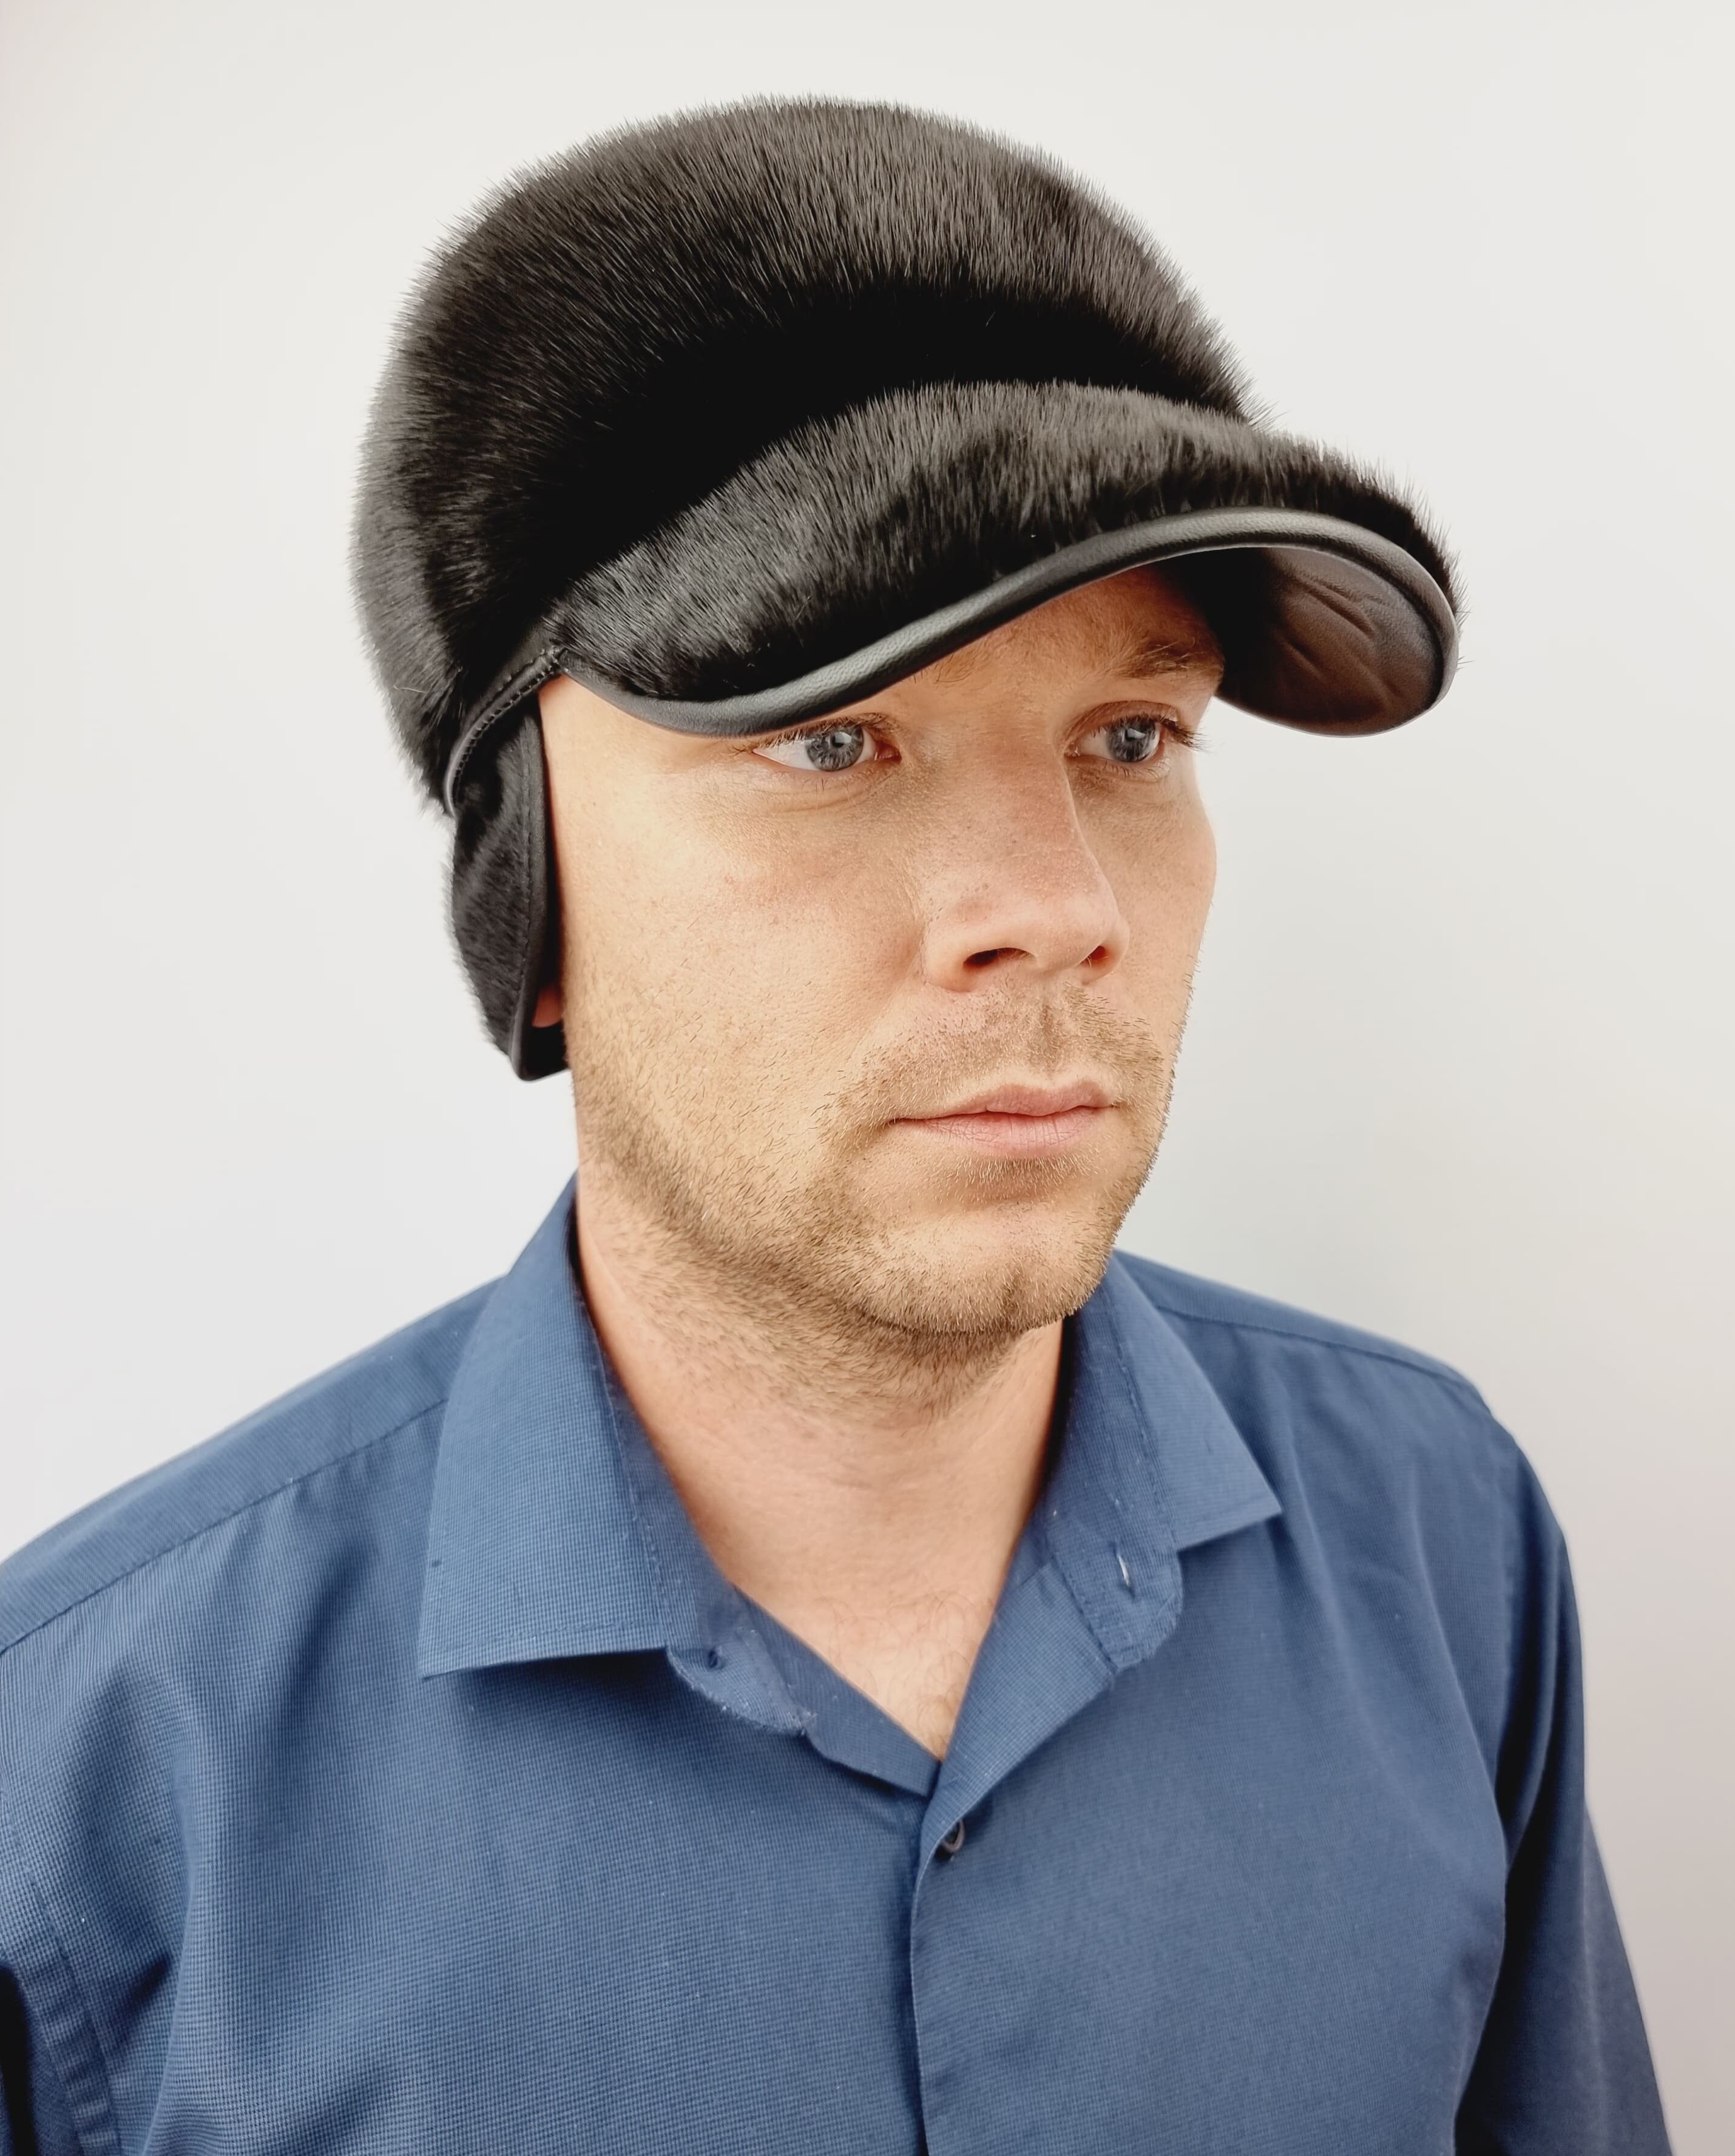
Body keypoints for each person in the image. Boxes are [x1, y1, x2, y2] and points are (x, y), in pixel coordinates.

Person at [0, 99, 1669, 2155]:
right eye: (830, 737)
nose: (1055, 903)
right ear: (528, 894)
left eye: (1129, 734)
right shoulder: (83, 1779)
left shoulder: (1437, 1537)